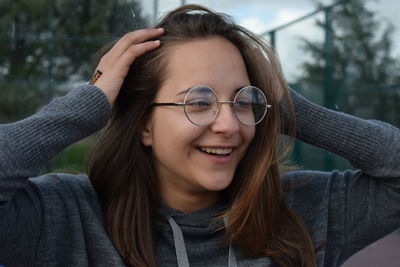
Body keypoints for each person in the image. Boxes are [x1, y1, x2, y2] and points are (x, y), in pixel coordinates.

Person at [0, 4, 399, 267]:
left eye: (244, 101)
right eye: (198, 101)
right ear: (142, 124)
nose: (229, 124)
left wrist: (294, 110)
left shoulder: (302, 212)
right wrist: (89, 103)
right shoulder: (63, 219)